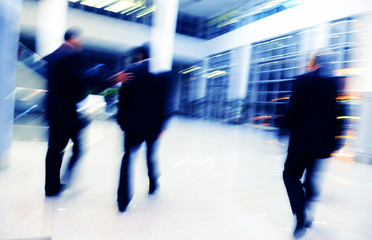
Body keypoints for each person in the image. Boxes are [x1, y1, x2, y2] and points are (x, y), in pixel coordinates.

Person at [43, 27, 131, 197]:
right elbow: (86, 77)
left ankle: (51, 186)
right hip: (68, 113)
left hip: (53, 111)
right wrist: (113, 79)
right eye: (80, 39)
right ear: (73, 38)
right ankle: (63, 179)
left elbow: (62, 80)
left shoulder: (51, 56)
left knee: (53, 151)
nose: (81, 43)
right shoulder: (72, 55)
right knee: (78, 147)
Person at [282, 50, 345, 238]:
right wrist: (338, 140)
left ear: (313, 62)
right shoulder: (334, 83)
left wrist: (283, 129)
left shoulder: (302, 80)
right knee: (310, 180)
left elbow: (293, 109)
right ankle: (305, 210)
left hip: (300, 141)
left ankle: (300, 214)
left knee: (290, 175)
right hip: (323, 143)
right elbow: (340, 112)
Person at [116, 44, 171, 212]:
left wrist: (121, 122)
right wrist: (162, 126)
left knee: (127, 158)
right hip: (153, 126)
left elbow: (122, 101)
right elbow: (165, 104)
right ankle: (153, 184)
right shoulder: (162, 75)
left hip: (131, 126)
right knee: (150, 155)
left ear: (140, 55)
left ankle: (123, 200)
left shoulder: (130, 72)